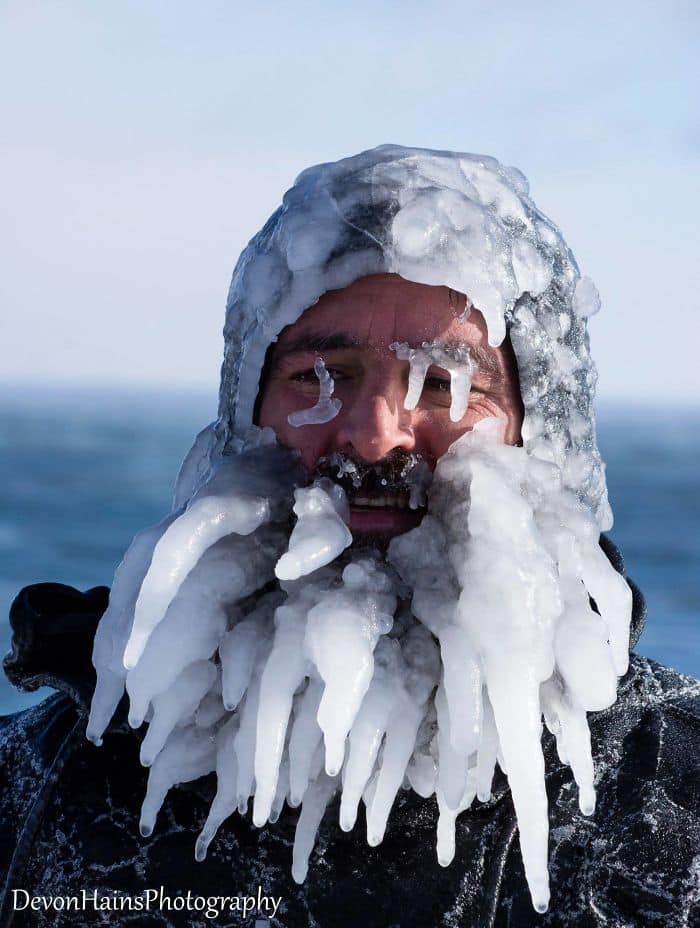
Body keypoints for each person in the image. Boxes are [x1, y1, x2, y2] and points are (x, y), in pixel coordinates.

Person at [1, 145, 698, 928]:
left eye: (443, 384)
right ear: (244, 418)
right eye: (318, 376)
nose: (374, 436)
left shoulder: (679, 803)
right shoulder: (30, 790)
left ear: (543, 441)